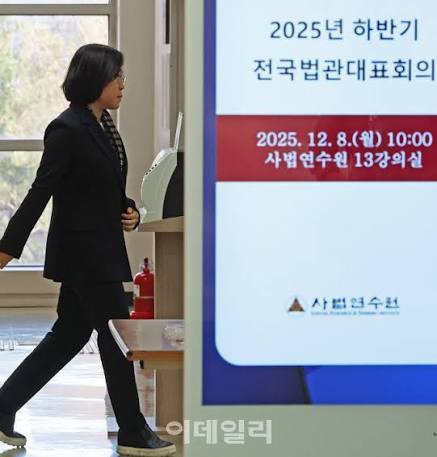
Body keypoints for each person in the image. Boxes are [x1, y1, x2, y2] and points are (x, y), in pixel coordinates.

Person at [0, 44, 176, 457]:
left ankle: (4, 405)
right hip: (85, 254)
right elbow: (41, 192)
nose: (123, 84)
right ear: (96, 79)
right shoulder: (67, 129)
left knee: (68, 336)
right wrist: (7, 248)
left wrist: (128, 209)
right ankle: (133, 430)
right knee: (115, 337)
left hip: (100, 248)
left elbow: (102, 186)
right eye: (117, 76)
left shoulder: (102, 126)